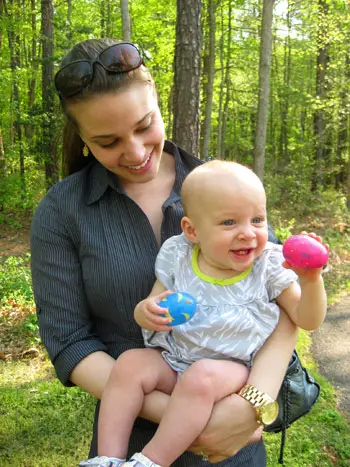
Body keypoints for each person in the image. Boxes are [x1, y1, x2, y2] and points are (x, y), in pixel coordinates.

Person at [30, 38, 307, 467]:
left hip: (232, 447)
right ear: (82, 138)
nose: (137, 153)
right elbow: (69, 342)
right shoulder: (62, 211)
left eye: (144, 126)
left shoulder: (220, 185)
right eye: (107, 141)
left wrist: (253, 405)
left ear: (158, 100)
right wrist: (187, 415)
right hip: (123, 441)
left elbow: (285, 309)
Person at [80, 161, 328, 467]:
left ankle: (149, 462)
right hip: (175, 361)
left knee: (200, 377)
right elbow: (156, 299)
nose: (247, 233)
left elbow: (307, 319)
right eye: (229, 223)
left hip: (232, 372)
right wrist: (145, 312)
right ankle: (107, 458)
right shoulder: (179, 254)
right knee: (129, 363)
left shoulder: (269, 266)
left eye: (257, 219)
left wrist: (311, 279)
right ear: (192, 230)